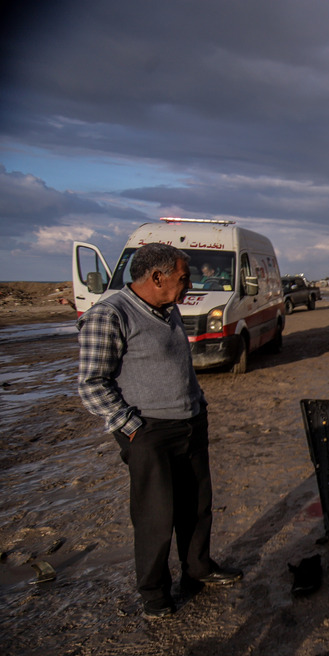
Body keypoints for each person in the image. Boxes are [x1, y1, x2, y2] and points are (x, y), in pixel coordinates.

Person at [77, 242, 242, 620]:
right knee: (155, 516)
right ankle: (154, 595)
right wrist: (132, 428)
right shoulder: (109, 315)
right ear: (157, 277)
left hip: (189, 423)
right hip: (148, 431)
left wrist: (197, 404)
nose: (189, 285)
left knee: (197, 505)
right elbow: (91, 383)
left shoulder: (168, 310)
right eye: (184, 278)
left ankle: (197, 569)